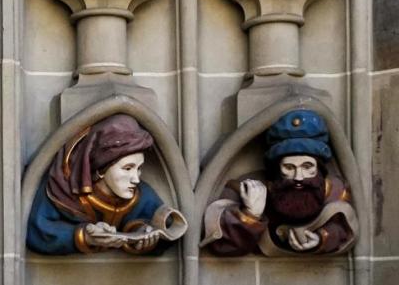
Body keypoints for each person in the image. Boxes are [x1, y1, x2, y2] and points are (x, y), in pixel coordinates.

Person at [202, 108, 358, 256]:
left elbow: (343, 227)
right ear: (276, 169)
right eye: (289, 167)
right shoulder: (247, 188)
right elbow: (219, 241)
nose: (298, 177)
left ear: (320, 169)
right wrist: (250, 214)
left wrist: (321, 239)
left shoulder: (336, 190)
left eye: (307, 167)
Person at [27, 113, 183, 255]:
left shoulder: (142, 195)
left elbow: (168, 228)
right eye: (127, 168)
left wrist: (142, 233)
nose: (136, 179)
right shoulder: (62, 190)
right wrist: (84, 237)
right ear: (102, 168)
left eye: (139, 168)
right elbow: (37, 231)